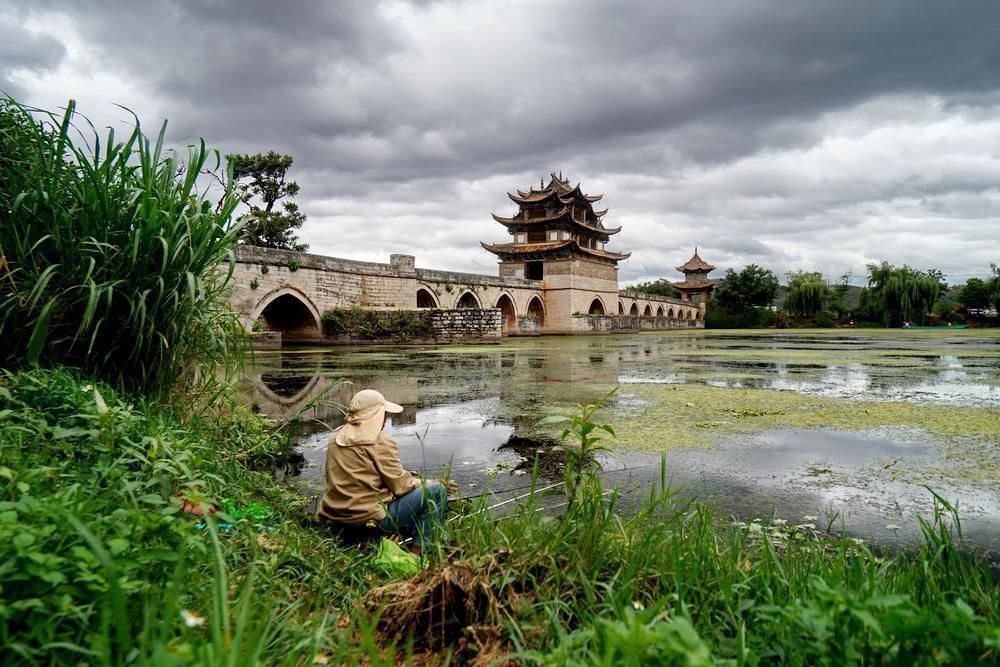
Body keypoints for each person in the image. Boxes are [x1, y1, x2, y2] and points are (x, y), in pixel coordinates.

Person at [316, 389, 450, 547]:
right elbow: (401, 486)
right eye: (384, 413)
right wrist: (426, 482)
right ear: (376, 415)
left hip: (335, 516)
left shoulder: (335, 437)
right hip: (368, 519)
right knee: (437, 491)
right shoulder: (380, 441)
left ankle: (358, 538)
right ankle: (419, 551)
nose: (386, 419)